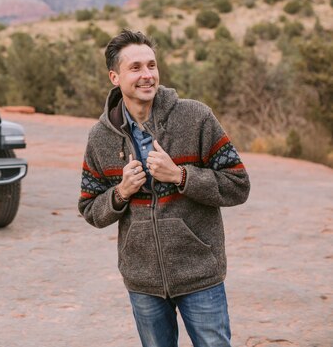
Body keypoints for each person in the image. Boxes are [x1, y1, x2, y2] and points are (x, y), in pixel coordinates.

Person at [79, 28, 250, 347]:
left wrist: (181, 176)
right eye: (136, 68)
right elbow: (90, 208)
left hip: (199, 274)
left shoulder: (196, 118)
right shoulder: (100, 138)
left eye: (152, 65)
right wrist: (121, 193)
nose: (147, 75)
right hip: (142, 280)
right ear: (114, 77)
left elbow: (238, 184)